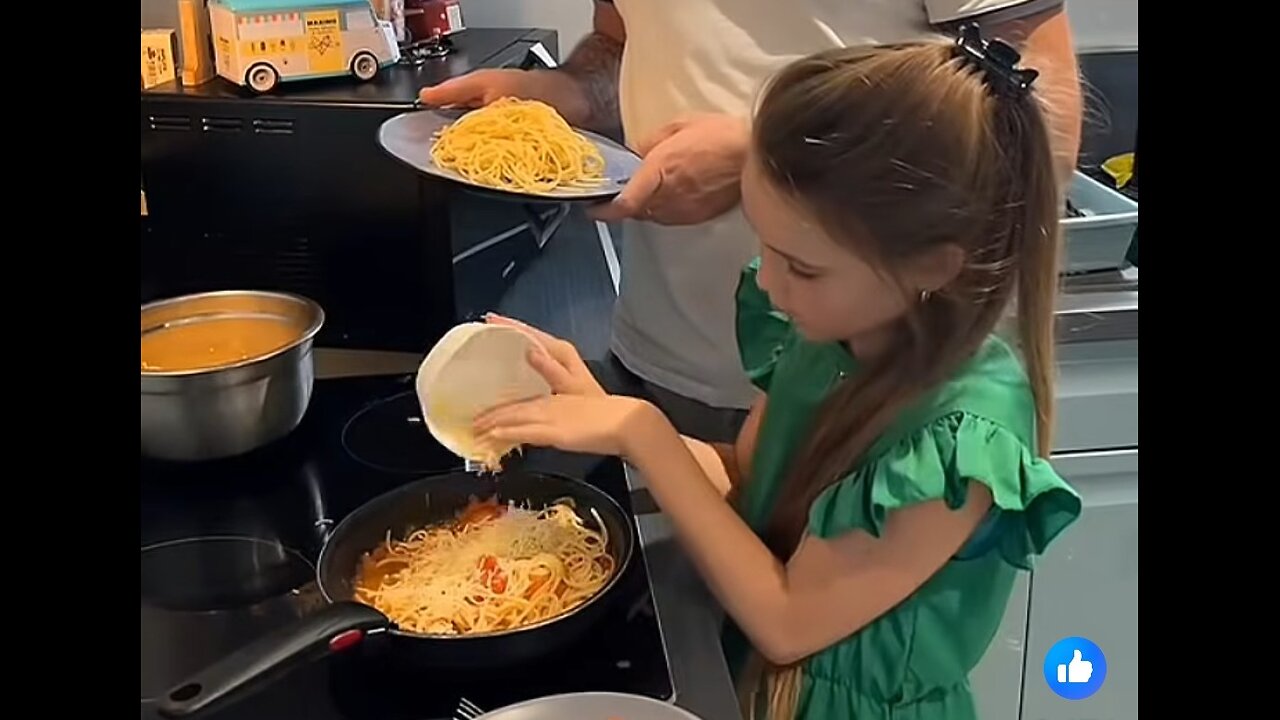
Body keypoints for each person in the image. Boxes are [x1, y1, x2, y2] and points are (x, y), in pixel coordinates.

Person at [474, 31, 1083, 720]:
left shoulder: (961, 440)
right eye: (764, 242)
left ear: (932, 270)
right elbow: (745, 477)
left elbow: (788, 621)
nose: (767, 279)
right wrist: (603, 414)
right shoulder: (833, 334)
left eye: (802, 265)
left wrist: (640, 430)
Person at [419, 1, 1083, 447]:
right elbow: (623, 44)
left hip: (872, 389)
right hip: (664, 361)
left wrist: (763, 155)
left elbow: (1037, 122)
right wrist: (568, 94)